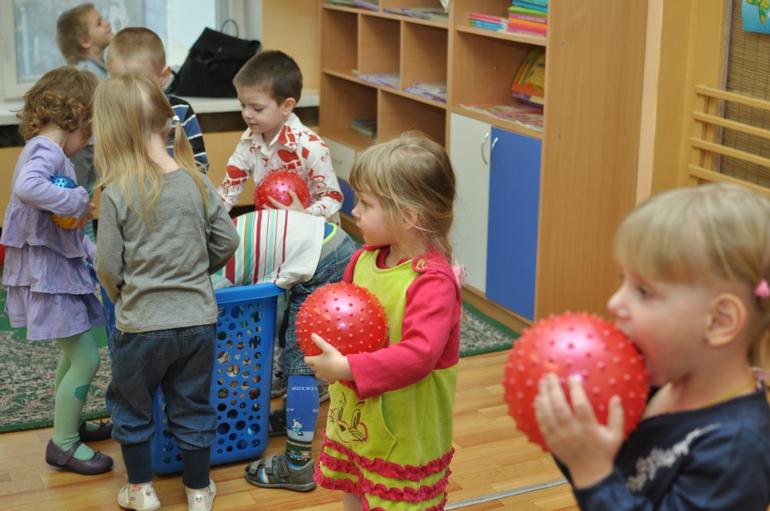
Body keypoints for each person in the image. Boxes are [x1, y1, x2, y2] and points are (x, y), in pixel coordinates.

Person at [534, 182, 770, 511]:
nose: (615, 302)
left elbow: (603, 480)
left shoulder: (736, 447)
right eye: (623, 281)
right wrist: (574, 444)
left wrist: (592, 471)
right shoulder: (655, 385)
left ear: (719, 321)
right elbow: (619, 477)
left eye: (643, 291)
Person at [93, 70, 239, 511]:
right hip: (197, 321)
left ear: (111, 133)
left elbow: (106, 265)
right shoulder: (197, 181)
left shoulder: (116, 191)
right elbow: (227, 241)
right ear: (166, 121)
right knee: (193, 406)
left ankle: (141, 491)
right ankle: (198, 491)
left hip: (139, 327)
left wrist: (121, 297)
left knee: (132, 408)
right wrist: (199, 270)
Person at [304, 133, 463, 511]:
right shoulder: (362, 260)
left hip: (403, 429)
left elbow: (418, 355)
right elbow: (337, 318)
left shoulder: (433, 283)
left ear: (407, 216)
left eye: (366, 203)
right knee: (356, 485)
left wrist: (345, 367)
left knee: (392, 500)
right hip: (358, 419)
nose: (354, 210)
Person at [2, 66, 113, 475]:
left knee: (74, 354)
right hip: (48, 281)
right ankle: (63, 444)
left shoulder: (47, 151)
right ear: (79, 116)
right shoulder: (46, 150)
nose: (91, 141)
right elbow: (26, 189)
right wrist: (78, 202)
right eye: (91, 130)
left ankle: (71, 422)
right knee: (86, 359)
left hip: (56, 273)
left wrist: (93, 252)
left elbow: (59, 232)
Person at [208, 208, 356, 491]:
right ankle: (292, 412)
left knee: (300, 359)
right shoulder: (211, 237)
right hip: (329, 241)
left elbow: (229, 331)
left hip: (322, 260)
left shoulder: (210, 273)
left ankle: (298, 463)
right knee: (291, 336)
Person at [216, 50, 344, 221]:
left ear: (286, 106)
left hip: (315, 231)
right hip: (274, 227)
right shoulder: (248, 141)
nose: (246, 114)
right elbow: (228, 191)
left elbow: (333, 197)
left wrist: (305, 214)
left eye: (257, 108)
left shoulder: (311, 146)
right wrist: (207, 220)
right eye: (243, 105)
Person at [107, 27, 209, 172]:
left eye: (138, 82)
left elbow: (200, 164)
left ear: (163, 76)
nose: (128, 90)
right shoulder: (111, 113)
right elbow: (107, 169)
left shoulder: (181, 111)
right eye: (118, 80)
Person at [56, 3, 114, 242]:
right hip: (81, 149)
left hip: (95, 146)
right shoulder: (83, 72)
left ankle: (86, 243)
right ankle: (74, 246)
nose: (108, 23)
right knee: (76, 199)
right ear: (85, 41)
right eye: (99, 23)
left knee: (86, 195)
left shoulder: (101, 69)